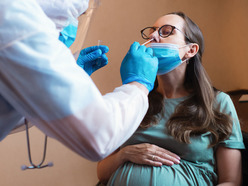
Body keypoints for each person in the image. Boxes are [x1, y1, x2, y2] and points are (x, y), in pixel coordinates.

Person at [97, 12, 245, 185]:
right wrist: (125, 154)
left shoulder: (218, 102)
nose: (153, 36)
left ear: (190, 50)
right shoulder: (135, 99)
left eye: (166, 31)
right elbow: (102, 173)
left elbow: (231, 181)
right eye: (152, 31)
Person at [0, 0, 159, 161]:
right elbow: (99, 135)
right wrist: (138, 85)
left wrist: (60, 78)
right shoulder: (16, 20)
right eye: (78, 14)